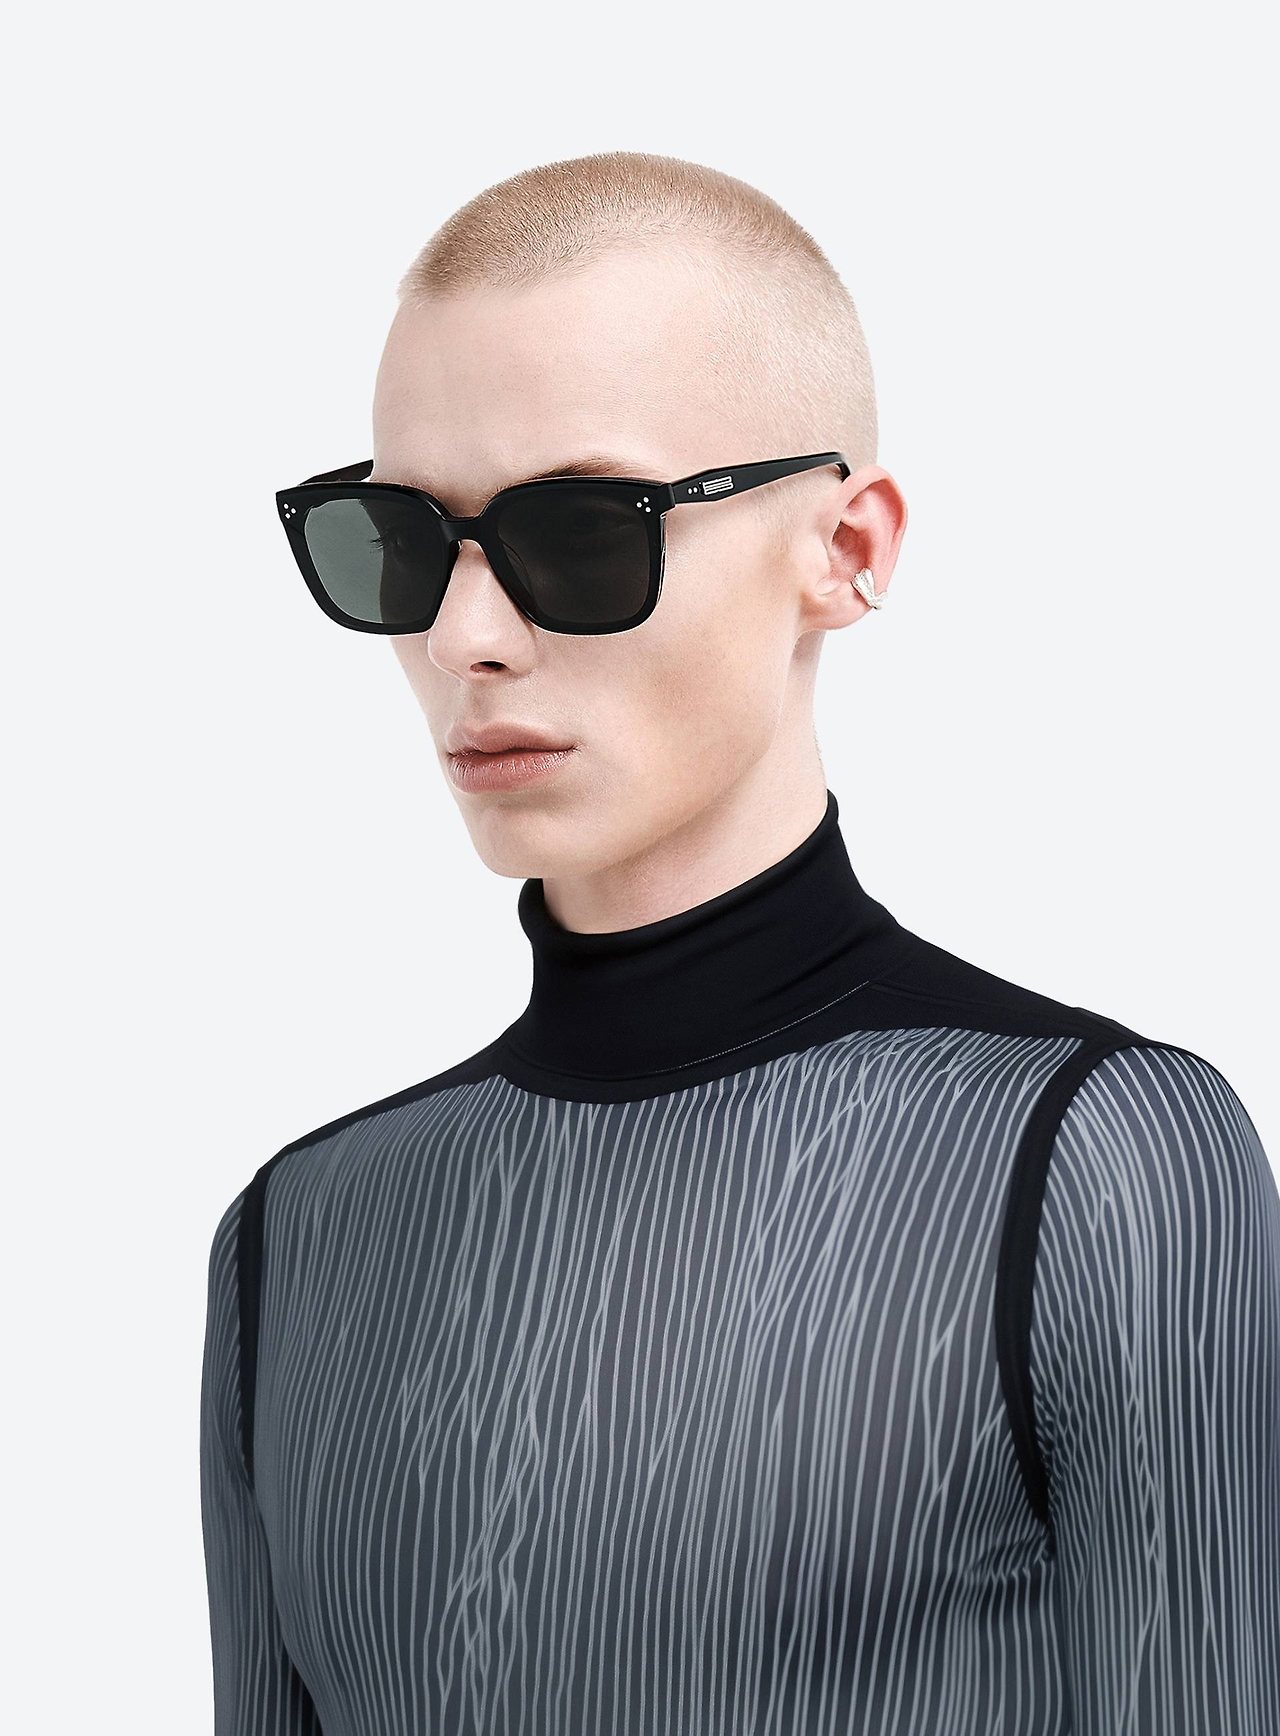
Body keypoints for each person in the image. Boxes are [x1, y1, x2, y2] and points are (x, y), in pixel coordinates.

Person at [200, 150, 1280, 1734]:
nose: (464, 636)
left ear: (848, 550)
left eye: (584, 533)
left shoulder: (1094, 1157)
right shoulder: (298, 1235)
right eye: (400, 541)